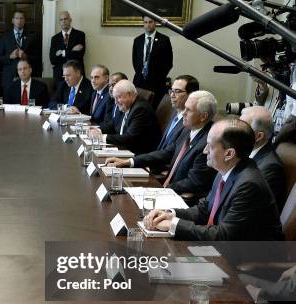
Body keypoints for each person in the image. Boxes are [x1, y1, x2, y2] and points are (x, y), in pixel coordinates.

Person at [143, 119, 285, 241]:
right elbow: (205, 210)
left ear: (229, 154)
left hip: (251, 258)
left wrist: (173, 224)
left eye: (210, 146)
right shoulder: (227, 170)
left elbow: (223, 236)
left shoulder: (249, 184)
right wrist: (170, 213)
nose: (205, 150)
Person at [106, 90, 217, 195]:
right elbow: (166, 153)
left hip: (178, 197)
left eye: (188, 110)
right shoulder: (188, 130)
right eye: (184, 108)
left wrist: (158, 191)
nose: (183, 113)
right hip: (167, 188)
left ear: (203, 116)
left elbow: (193, 183)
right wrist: (129, 162)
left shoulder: (207, 143)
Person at [92, 80, 160, 155]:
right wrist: (97, 130)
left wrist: (102, 137)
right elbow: (113, 123)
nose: (116, 102)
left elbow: (129, 138)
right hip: (124, 149)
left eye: (118, 97)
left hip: (138, 154)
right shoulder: (125, 105)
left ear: (129, 95)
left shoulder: (140, 109)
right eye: (115, 98)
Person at [240, 106, 286, 211]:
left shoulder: (270, 168)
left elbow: (248, 208)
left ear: (258, 136)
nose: (234, 131)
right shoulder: (244, 152)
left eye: (242, 128)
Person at [132, 15, 173, 107]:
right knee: (138, 107)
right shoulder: (137, 40)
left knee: (154, 107)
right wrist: (142, 73)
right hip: (140, 81)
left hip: (157, 82)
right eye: (145, 22)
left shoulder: (164, 40)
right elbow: (135, 61)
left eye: (150, 22)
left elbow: (168, 62)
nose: (148, 25)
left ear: (155, 23)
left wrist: (159, 76)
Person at [0, 10, 40, 92]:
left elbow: (37, 59)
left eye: (21, 18)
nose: (19, 21)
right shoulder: (5, 37)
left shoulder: (31, 37)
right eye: (17, 18)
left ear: (24, 20)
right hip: (9, 79)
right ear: (13, 20)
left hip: (26, 79)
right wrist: (10, 56)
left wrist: (26, 57)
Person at [157, 75, 199, 150]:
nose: (172, 95)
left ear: (191, 95)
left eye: (177, 91)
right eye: (171, 91)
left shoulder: (190, 122)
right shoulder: (175, 114)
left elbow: (171, 153)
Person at [49, 11, 86, 84]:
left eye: (65, 19)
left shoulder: (80, 35)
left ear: (70, 20)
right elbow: (53, 60)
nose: (63, 21)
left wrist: (61, 53)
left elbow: (79, 55)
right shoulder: (54, 38)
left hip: (76, 75)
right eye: (61, 20)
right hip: (60, 76)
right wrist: (71, 51)